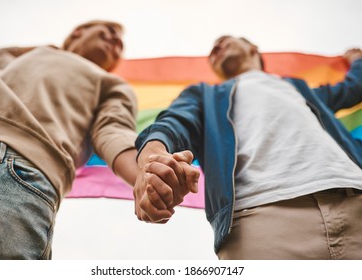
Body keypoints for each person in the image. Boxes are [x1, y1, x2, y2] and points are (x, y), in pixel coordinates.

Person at [0, 19, 197, 259]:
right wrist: (52, 49)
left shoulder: (111, 84)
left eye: (120, 44)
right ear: (79, 31)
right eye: (110, 31)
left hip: (13, 170)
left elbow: (113, 133)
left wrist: (146, 174)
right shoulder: (26, 59)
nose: (116, 41)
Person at [133, 35, 362, 259]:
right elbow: (175, 121)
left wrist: (357, 60)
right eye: (212, 50)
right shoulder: (206, 95)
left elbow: (353, 89)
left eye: (225, 40)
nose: (216, 47)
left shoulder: (298, 87)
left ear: (253, 47)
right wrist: (152, 158)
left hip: (355, 199)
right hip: (259, 220)